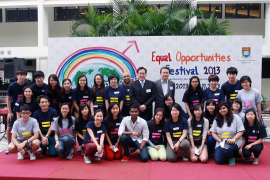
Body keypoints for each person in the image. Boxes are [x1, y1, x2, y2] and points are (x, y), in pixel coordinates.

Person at [6, 69, 31, 154]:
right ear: (17, 76)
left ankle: (26, 146)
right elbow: (8, 98)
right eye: (20, 75)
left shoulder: (28, 85)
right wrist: (9, 112)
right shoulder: (12, 86)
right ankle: (9, 144)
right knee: (10, 127)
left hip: (25, 110)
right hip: (14, 109)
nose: (22, 77)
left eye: (24, 75)